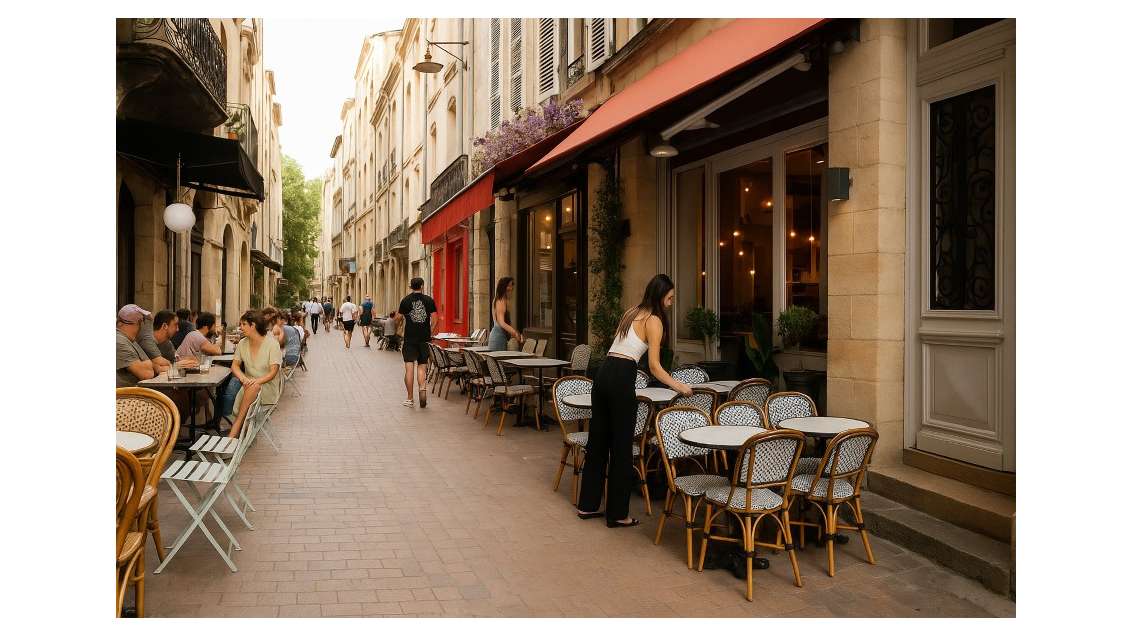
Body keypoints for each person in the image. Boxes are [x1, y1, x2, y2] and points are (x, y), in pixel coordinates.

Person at [576, 274, 692, 528]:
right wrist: (680, 386)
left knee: (598, 441)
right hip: (621, 376)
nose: (671, 303)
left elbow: (619, 347)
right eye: (670, 298)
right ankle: (618, 514)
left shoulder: (632, 312)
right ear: (661, 296)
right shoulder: (654, 321)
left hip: (604, 373)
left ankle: (587, 505)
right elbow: (654, 367)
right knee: (621, 447)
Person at [228, 310, 282, 439]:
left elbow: (273, 372)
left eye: (243, 324)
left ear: (253, 325)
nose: (240, 328)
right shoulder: (242, 343)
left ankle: (234, 432)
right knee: (248, 387)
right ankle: (240, 432)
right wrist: (243, 378)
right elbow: (234, 366)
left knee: (253, 387)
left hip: (267, 389)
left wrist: (256, 381)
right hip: (247, 386)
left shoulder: (272, 344)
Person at [397, 277, 437, 408]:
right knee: (422, 366)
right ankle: (423, 388)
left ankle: (409, 399)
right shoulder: (429, 300)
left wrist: (401, 324)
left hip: (409, 339)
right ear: (422, 286)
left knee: (409, 369)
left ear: (411, 287)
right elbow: (436, 319)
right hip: (424, 339)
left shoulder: (405, 300)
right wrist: (430, 332)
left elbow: (397, 318)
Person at [116, 304, 156, 387]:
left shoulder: (129, 340)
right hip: (124, 397)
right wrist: (148, 364)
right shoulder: (119, 341)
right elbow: (147, 374)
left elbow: (153, 368)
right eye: (141, 322)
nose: (142, 327)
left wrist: (147, 365)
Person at [489, 277, 523, 351]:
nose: (511, 288)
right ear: (503, 286)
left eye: (512, 285)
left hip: (499, 336)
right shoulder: (500, 300)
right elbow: (501, 322)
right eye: (509, 285)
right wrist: (515, 333)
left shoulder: (499, 299)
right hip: (498, 337)